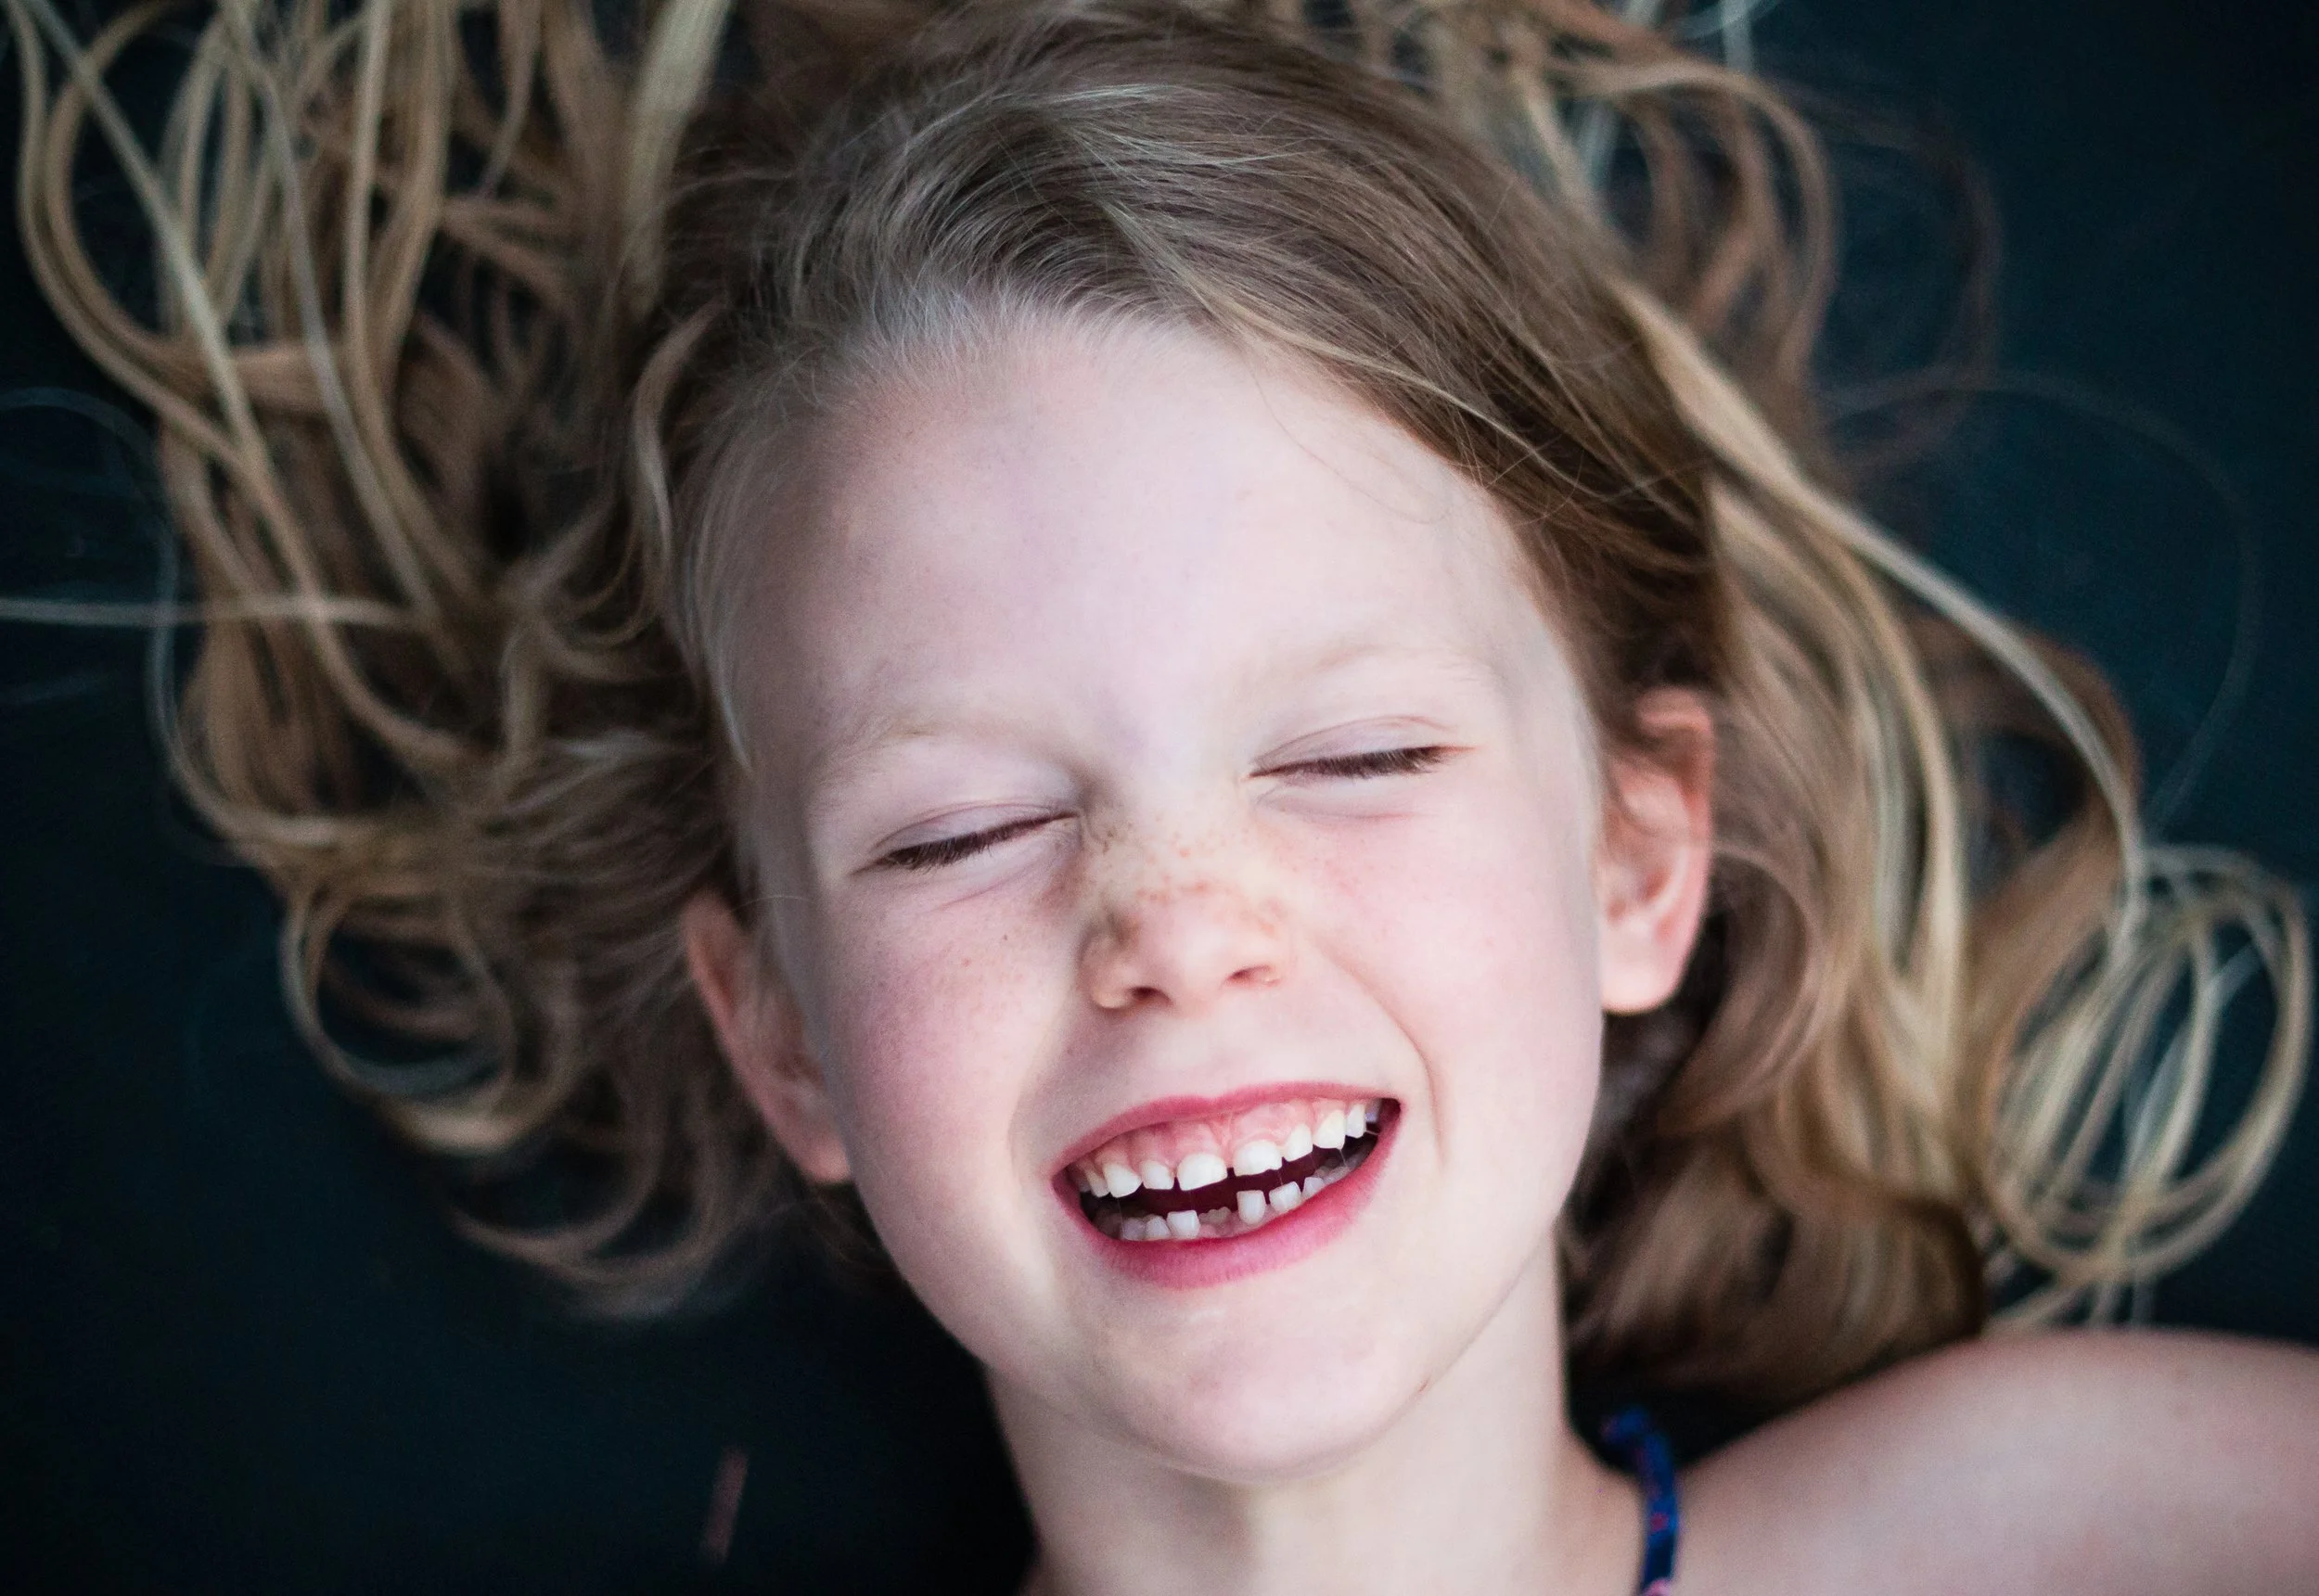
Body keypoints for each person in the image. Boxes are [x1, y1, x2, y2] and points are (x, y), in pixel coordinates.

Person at [6, 0, 2314, 1589]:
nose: (1176, 920)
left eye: (1353, 754)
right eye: (956, 829)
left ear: (1636, 856)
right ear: (780, 1029)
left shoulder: (2104, 1528)